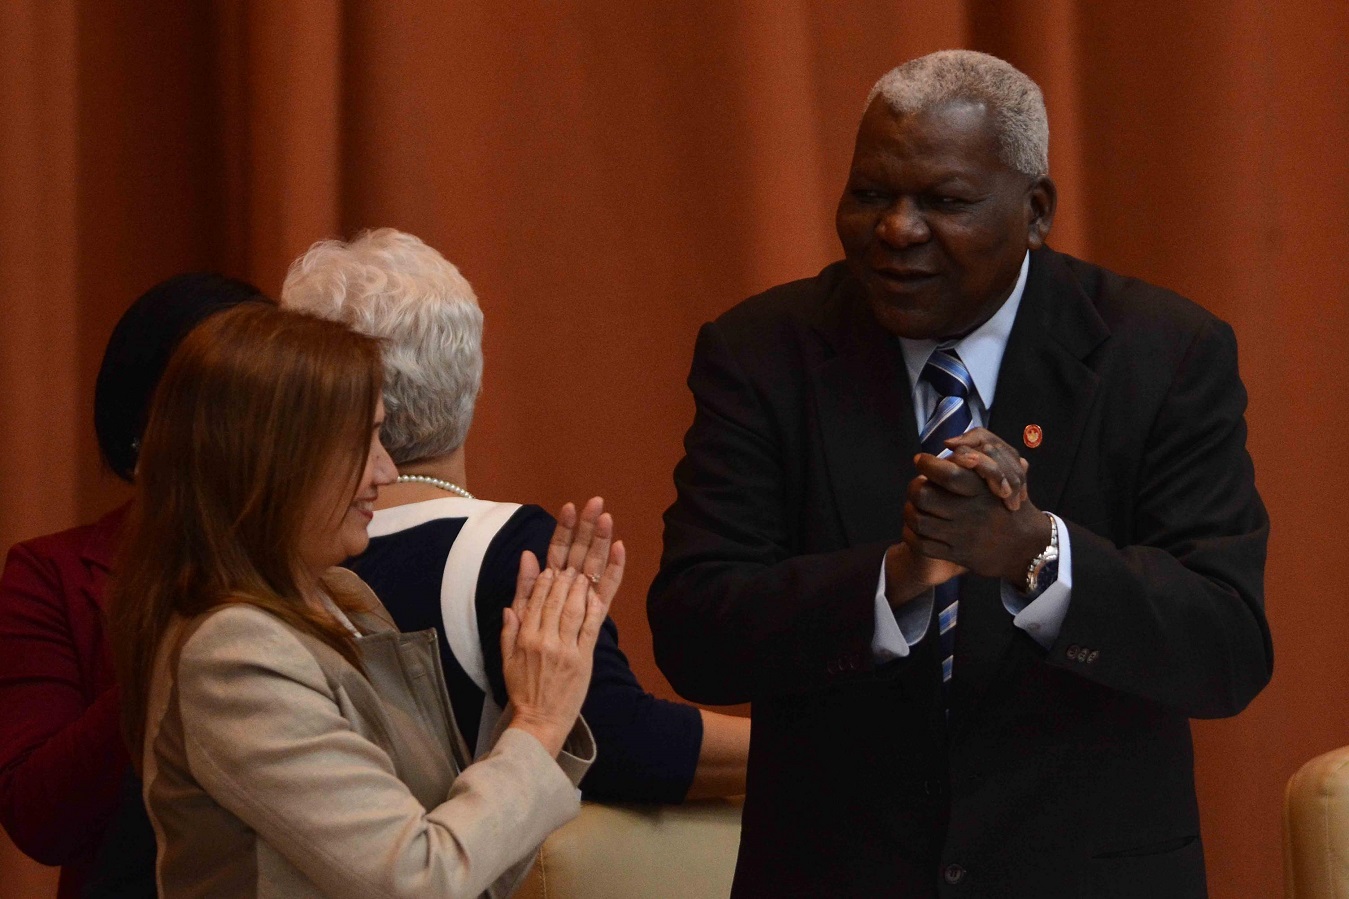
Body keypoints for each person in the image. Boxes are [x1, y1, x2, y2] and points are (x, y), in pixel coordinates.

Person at [648, 49, 1271, 898]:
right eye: (870, 194)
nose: (896, 230)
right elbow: (695, 634)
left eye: (944, 201)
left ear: (1035, 210)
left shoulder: (1163, 355)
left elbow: (1225, 648)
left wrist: (1036, 555)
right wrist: (895, 579)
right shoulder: (763, 354)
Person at [108, 303, 616, 898]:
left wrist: (543, 700)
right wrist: (537, 722)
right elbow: (417, 881)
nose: (387, 471)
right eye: (365, 440)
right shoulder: (232, 651)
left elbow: (467, 872)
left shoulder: (347, 601)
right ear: (277, 460)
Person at [280, 228, 749, 802]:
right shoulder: (508, 551)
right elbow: (619, 744)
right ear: (470, 372)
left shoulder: (268, 551)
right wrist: (820, 745)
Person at [0, 273, 269, 898]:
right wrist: (179, 639)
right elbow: (39, 820)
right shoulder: (53, 573)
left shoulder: (327, 554)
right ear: (147, 424)